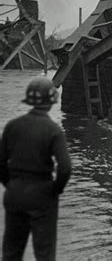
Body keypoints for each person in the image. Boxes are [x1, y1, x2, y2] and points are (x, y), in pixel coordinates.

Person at [0, 77, 72, 261]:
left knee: (11, 252)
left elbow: (1, 163)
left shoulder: (12, 126)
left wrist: (11, 184)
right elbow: (64, 168)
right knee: (44, 254)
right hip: (42, 193)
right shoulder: (54, 130)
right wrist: (54, 190)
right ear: (51, 101)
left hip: (15, 192)